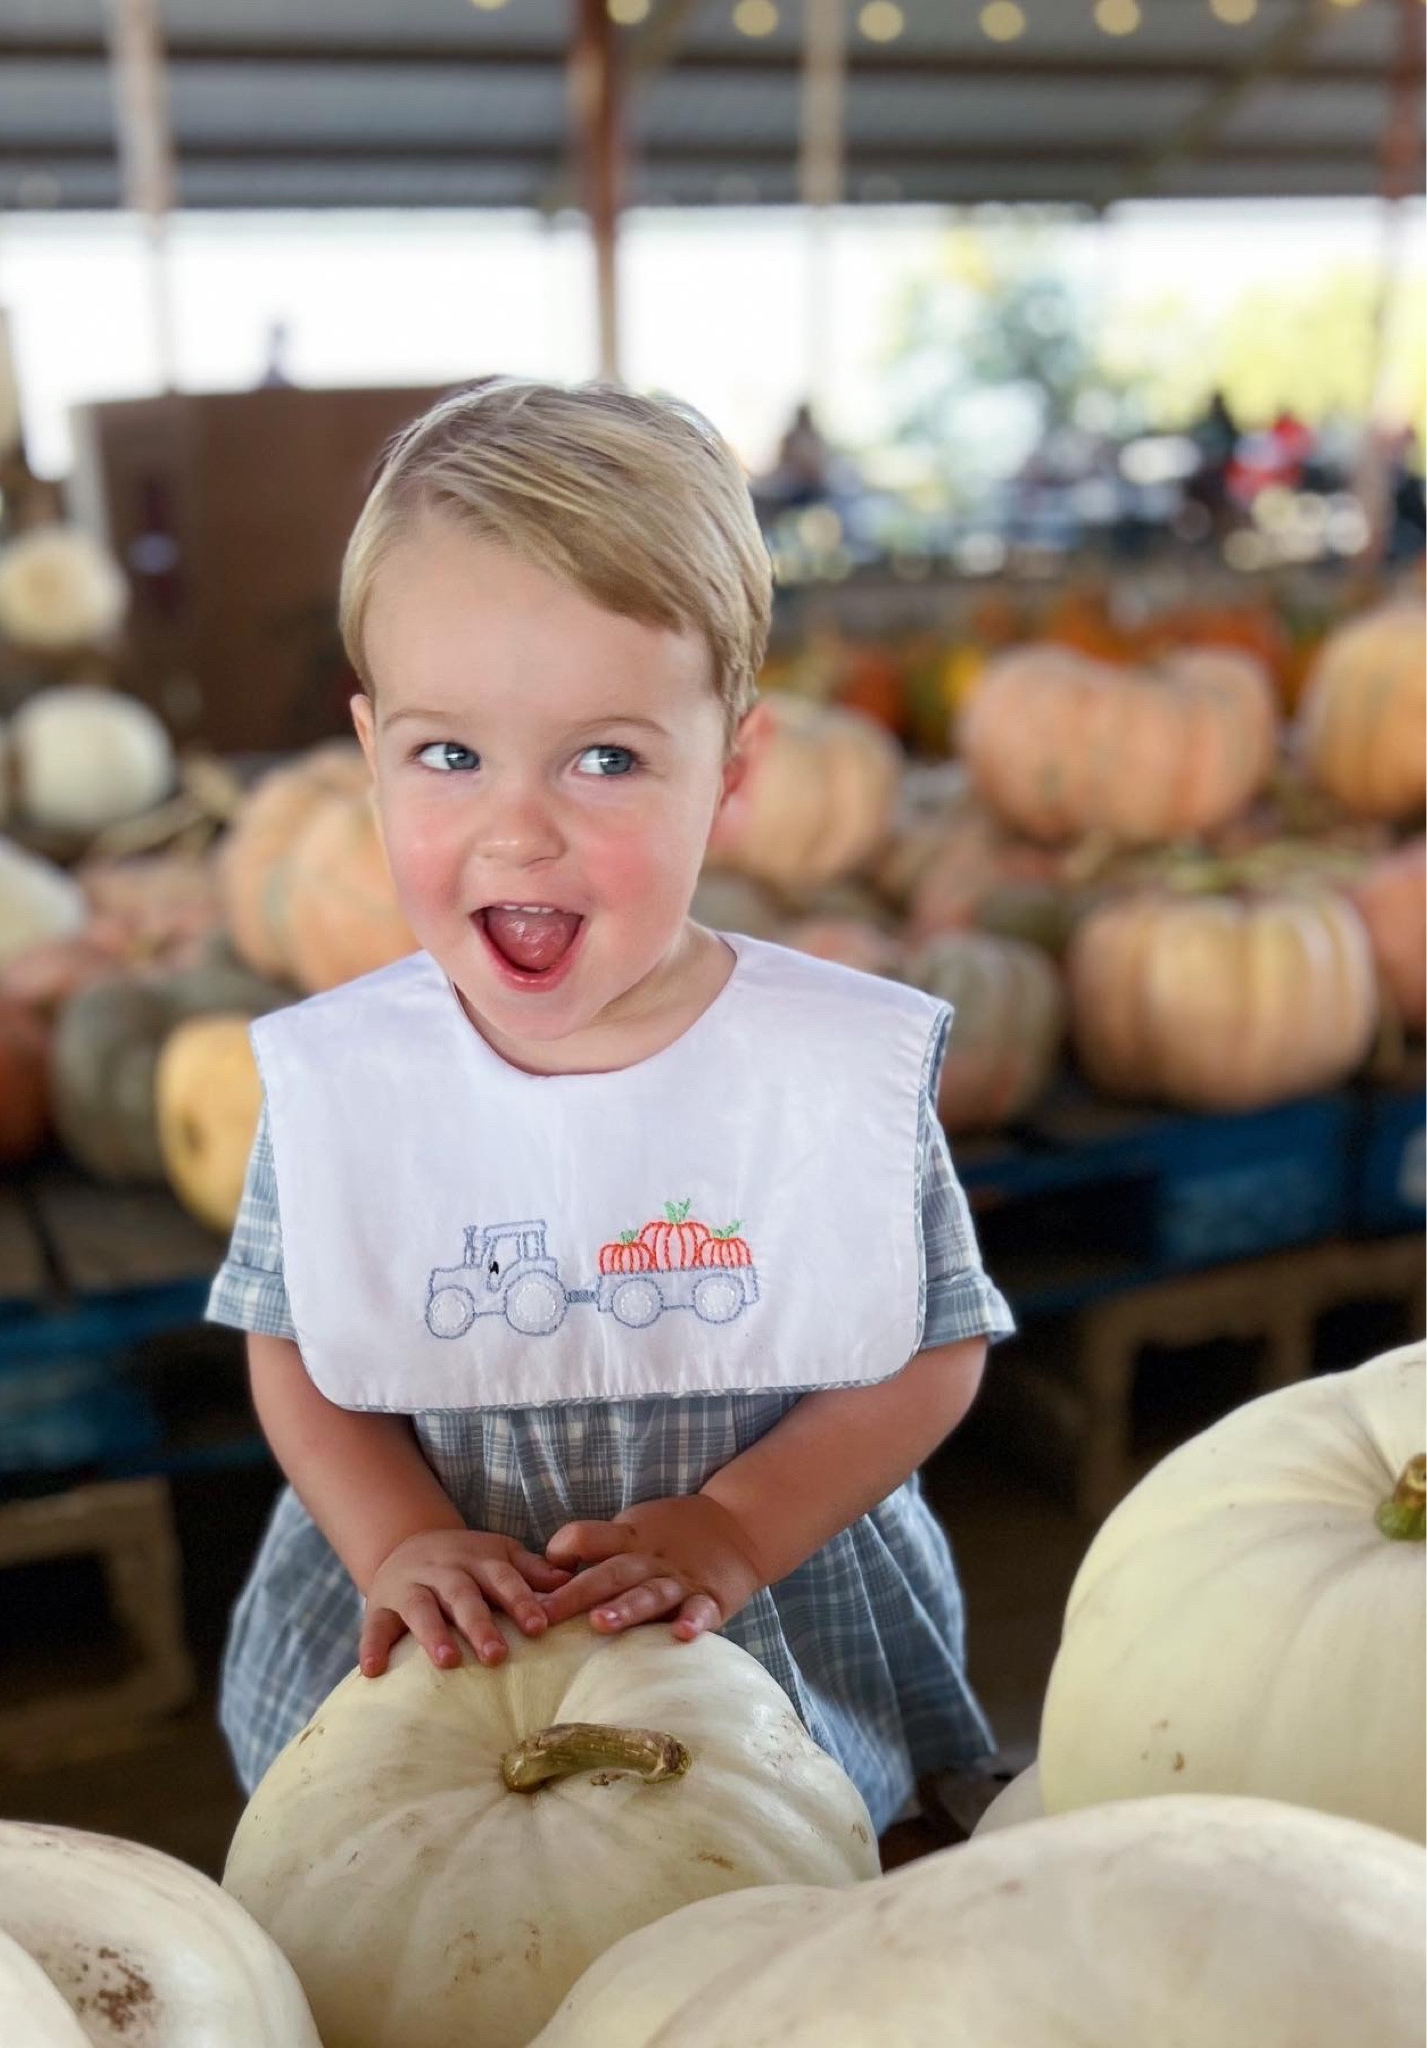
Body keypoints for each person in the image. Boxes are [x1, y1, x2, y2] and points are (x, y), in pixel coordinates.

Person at [206, 379, 1015, 1831]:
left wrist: (733, 1527)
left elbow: (929, 1354)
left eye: (608, 758)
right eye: (448, 755)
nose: (519, 826)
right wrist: (397, 1540)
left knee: (776, 1885)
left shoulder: (827, 1069)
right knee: (426, 1906)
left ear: (733, 773)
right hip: (449, 1633)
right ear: (371, 749)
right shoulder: (350, 1082)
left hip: (749, 1623)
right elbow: (295, 1351)